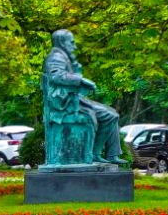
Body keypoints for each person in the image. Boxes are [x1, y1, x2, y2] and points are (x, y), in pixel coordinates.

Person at [42, 30, 124, 164]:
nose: (74, 46)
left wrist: (77, 70)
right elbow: (56, 76)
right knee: (110, 115)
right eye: (71, 43)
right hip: (65, 103)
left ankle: (111, 155)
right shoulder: (56, 57)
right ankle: (95, 154)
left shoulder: (62, 56)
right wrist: (81, 80)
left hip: (73, 99)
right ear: (62, 42)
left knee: (112, 114)